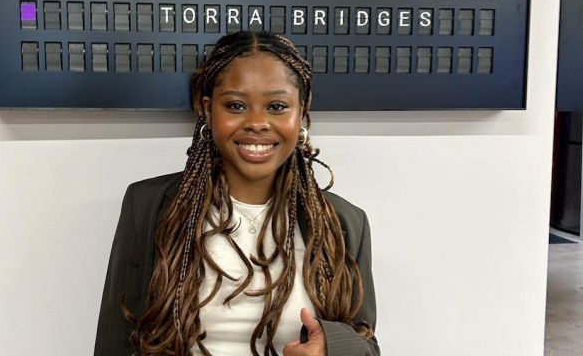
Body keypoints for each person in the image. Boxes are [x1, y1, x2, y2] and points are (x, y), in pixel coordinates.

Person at [94, 31, 380, 356]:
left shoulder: (343, 223)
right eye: (236, 105)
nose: (257, 122)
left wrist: (331, 349)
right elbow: (116, 342)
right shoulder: (148, 206)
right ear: (207, 109)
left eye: (277, 106)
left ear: (302, 110)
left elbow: (367, 344)